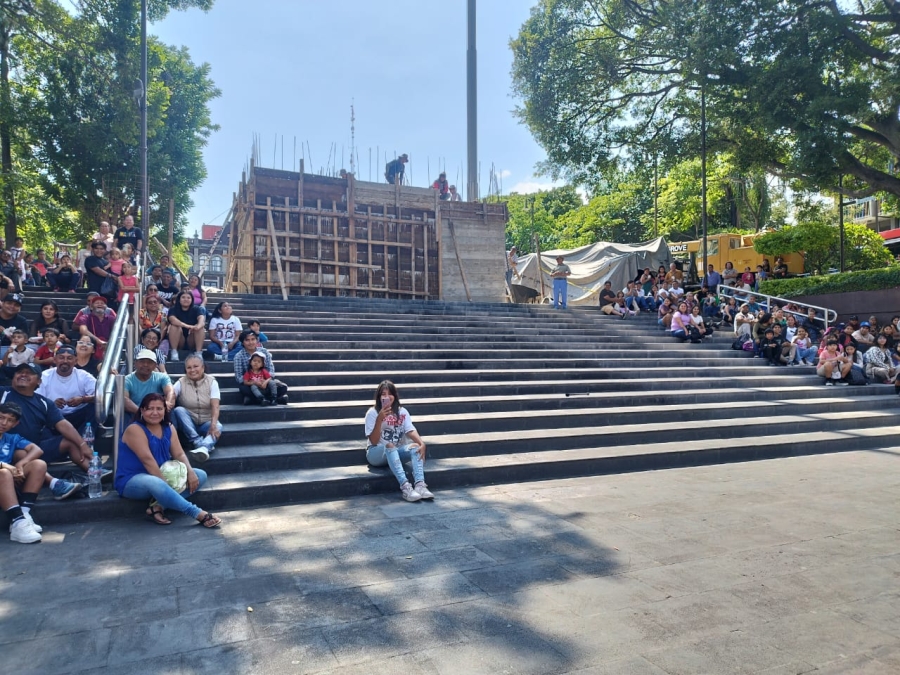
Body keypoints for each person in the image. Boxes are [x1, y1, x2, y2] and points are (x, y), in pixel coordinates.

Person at [115, 393, 220, 527]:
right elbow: (147, 460)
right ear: (142, 410)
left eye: (159, 409)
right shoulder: (134, 429)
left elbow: (179, 454)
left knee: (200, 475)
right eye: (150, 408)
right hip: (132, 480)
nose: (155, 412)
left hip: (162, 474)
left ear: (165, 410)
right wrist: (164, 485)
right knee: (155, 482)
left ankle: (157, 507)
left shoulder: (169, 427)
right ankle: (197, 513)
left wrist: (190, 472)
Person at [1, 363, 87, 498]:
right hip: (8, 449)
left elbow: (63, 424)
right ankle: (56, 484)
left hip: (35, 447)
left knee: (71, 441)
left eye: (29, 373)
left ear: (39, 381)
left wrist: (83, 445)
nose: (23, 374)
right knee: (22, 453)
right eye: (19, 372)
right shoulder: (3, 393)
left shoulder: (44, 402)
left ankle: (96, 472)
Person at [364, 380, 431, 502]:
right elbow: (373, 441)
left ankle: (420, 485)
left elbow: (410, 429)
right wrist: (379, 419)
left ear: (395, 395)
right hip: (376, 453)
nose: (387, 397)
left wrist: (422, 443)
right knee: (389, 445)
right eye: (383, 394)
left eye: (390, 394)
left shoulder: (402, 412)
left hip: (396, 452)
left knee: (415, 446)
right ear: (379, 397)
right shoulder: (372, 413)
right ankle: (405, 487)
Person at [0, 402, 49, 543]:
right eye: (1, 417)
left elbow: (37, 450)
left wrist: (20, 465)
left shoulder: (11, 438)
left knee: (39, 464)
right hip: (4, 475)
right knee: (4, 473)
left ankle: (23, 514)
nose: (4, 423)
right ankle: (17, 520)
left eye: (10, 420)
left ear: (15, 424)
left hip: (5, 483)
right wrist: (9, 468)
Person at [36, 346, 96, 439]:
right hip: (53, 417)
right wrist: (51, 404)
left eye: (69, 358)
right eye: (61, 357)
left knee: (95, 407)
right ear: (55, 360)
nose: (65, 361)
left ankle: (84, 440)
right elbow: (36, 399)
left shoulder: (83, 375)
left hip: (77, 416)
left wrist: (83, 399)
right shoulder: (45, 375)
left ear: (76, 361)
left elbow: (101, 396)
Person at [172, 354, 222, 463]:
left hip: (206, 423)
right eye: (189, 367)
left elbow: (215, 405)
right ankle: (198, 443)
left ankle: (204, 448)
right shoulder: (181, 382)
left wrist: (213, 425)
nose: (192, 370)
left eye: (196, 366)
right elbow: (171, 396)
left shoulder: (212, 382)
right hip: (189, 424)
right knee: (179, 410)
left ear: (203, 367)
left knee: (218, 425)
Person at [234, 329, 287, 405]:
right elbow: (239, 377)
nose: (251, 342)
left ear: (257, 340)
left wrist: (264, 381)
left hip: (266, 382)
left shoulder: (264, 352)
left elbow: (271, 371)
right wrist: (254, 381)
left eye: (253, 339)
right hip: (251, 384)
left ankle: (255, 400)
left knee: (282, 387)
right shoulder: (238, 356)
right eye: (247, 340)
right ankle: (277, 399)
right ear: (242, 342)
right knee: (243, 389)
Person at [125, 349, 175, 414]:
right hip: (136, 414)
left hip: (157, 415)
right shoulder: (127, 380)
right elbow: (125, 400)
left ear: (155, 365)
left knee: (173, 411)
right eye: (142, 361)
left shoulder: (162, 377)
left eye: (149, 362)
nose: (145, 364)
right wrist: (144, 413)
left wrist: (166, 403)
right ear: (135, 363)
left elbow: (171, 392)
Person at [166, 290, 206, 361]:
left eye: (188, 298)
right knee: (175, 326)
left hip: (192, 339)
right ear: (179, 299)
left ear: (192, 299)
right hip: (179, 340)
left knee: (200, 328)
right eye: (183, 297)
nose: (186, 299)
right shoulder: (173, 309)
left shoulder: (197, 309)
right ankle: (174, 352)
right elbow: (172, 319)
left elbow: (201, 319)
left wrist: (197, 327)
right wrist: (188, 326)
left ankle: (198, 353)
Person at [77, 295, 116, 360]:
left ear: (105, 307)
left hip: (107, 346)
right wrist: (99, 341)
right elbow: (83, 330)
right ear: (91, 307)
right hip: (91, 346)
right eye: (97, 303)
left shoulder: (111, 319)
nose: (100, 304)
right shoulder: (85, 317)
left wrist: (109, 343)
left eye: (102, 303)